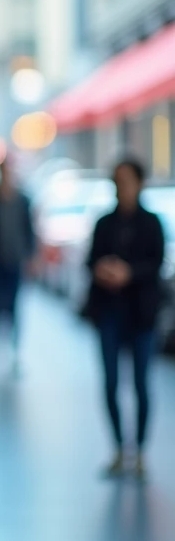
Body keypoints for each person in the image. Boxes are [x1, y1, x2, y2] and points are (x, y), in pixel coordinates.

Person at [84, 158, 165, 478]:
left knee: (142, 383)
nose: (122, 187)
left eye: (127, 180)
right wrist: (103, 269)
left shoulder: (152, 222)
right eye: (117, 181)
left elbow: (156, 263)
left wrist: (128, 272)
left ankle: (141, 449)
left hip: (141, 313)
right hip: (109, 313)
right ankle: (119, 447)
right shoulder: (104, 223)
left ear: (139, 183)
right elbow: (90, 260)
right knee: (111, 382)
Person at [0, 159, 36, 371]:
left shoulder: (22, 201)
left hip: (15, 261)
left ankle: (14, 349)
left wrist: (31, 257)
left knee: (14, 305)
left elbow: (29, 230)